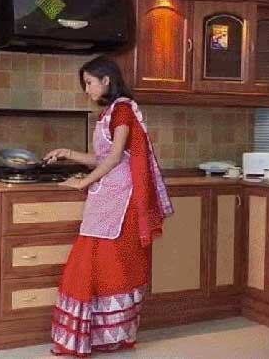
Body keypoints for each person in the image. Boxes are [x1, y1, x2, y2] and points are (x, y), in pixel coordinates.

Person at [43, 55, 173, 357]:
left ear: (106, 80)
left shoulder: (124, 109)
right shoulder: (109, 113)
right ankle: (99, 337)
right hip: (106, 196)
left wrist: (82, 182)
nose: (87, 89)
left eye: (89, 82)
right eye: (85, 84)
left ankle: (107, 337)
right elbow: (102, 158)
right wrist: (67, 153)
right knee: (97, 264)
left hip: (122, 200)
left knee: (110, 265)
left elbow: (115, 158)